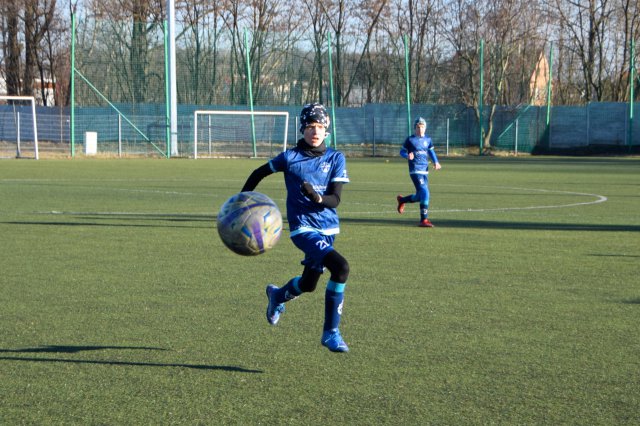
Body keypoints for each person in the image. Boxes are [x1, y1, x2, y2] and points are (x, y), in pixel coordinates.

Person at [241, 103, 351, 353]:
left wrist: (317, 198)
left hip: (328, 230)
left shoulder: (336, 157)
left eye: (321, 127)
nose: (316, 131)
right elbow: (258, 173)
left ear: (327, 131)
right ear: (302, 129)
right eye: (311, 126)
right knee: (341, 267)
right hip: (303, 229)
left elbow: (335, 199)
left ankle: (278, 295)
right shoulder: (289, 158)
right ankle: (331, 333)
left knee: (309, 283)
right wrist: (243, 200)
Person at [396, 116, 442, 227]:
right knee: (426, 193)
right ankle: (424, 220)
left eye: (422, 127)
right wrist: (407, 155)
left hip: (425, 170)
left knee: (420, 196)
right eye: (418, 127)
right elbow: (401, 152)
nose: (420, 129)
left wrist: (436, 162)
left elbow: (431, 152)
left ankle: (402, 200)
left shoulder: (428, 140)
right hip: (415, 170)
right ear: (415, 128)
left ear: (425, 128)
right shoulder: (410, 140)